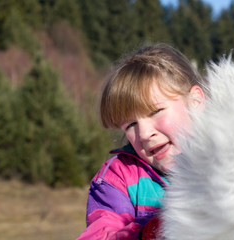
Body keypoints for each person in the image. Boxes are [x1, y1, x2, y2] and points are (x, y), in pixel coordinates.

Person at [77, 43, 206, 240]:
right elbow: (100, 234)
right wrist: (150, 233)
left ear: (195, 101)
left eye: (155, 111)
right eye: (130, 125)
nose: (144, 133)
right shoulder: (118, 177)